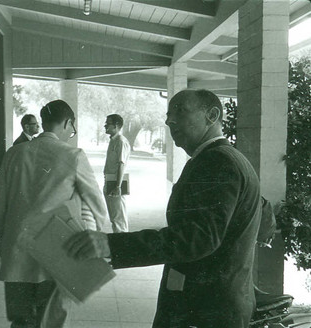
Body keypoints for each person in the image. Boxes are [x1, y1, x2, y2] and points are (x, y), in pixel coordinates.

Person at [64, 89, 262, 328]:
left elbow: (199, 238)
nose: (169, 120)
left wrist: (111, 244)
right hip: (212, 304)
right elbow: (263, 210)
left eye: (180, 110)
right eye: (169, 113)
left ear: (212, 115)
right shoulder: (224, 158)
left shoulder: (217, 161)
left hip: (204, 310)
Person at [0, 100, 108, 327]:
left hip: (16, 250)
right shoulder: (73, 155)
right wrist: (102, 239)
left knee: (21, 320)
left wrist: (3, 242)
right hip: (56, 253)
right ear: (67, 123)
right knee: (52, 319)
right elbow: (96, 202)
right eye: (71, 129)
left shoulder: (14, 154)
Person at [103, 114, 131, 232]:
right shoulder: (113, 141)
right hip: (110, 179)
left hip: (117, 181)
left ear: (116, 126)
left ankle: (124, 245)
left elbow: (121, 164)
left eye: (107, 124)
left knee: (119, 217)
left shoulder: (121, 142)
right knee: (114, 217)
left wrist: (118, 186)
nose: (105, 126)